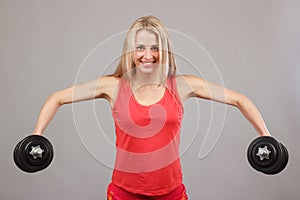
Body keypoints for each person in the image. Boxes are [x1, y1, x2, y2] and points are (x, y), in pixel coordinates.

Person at [32, 15, 271, 200]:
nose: (148, 55)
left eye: (155, 48)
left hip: (171, 193)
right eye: (141, 48)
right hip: (124, 193)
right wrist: (37, 135)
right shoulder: (113, 87)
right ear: (130, 51)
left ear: (164, 50)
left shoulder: (182, 86)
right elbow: (57, 98)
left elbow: (240, 100)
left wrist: (265, 137)